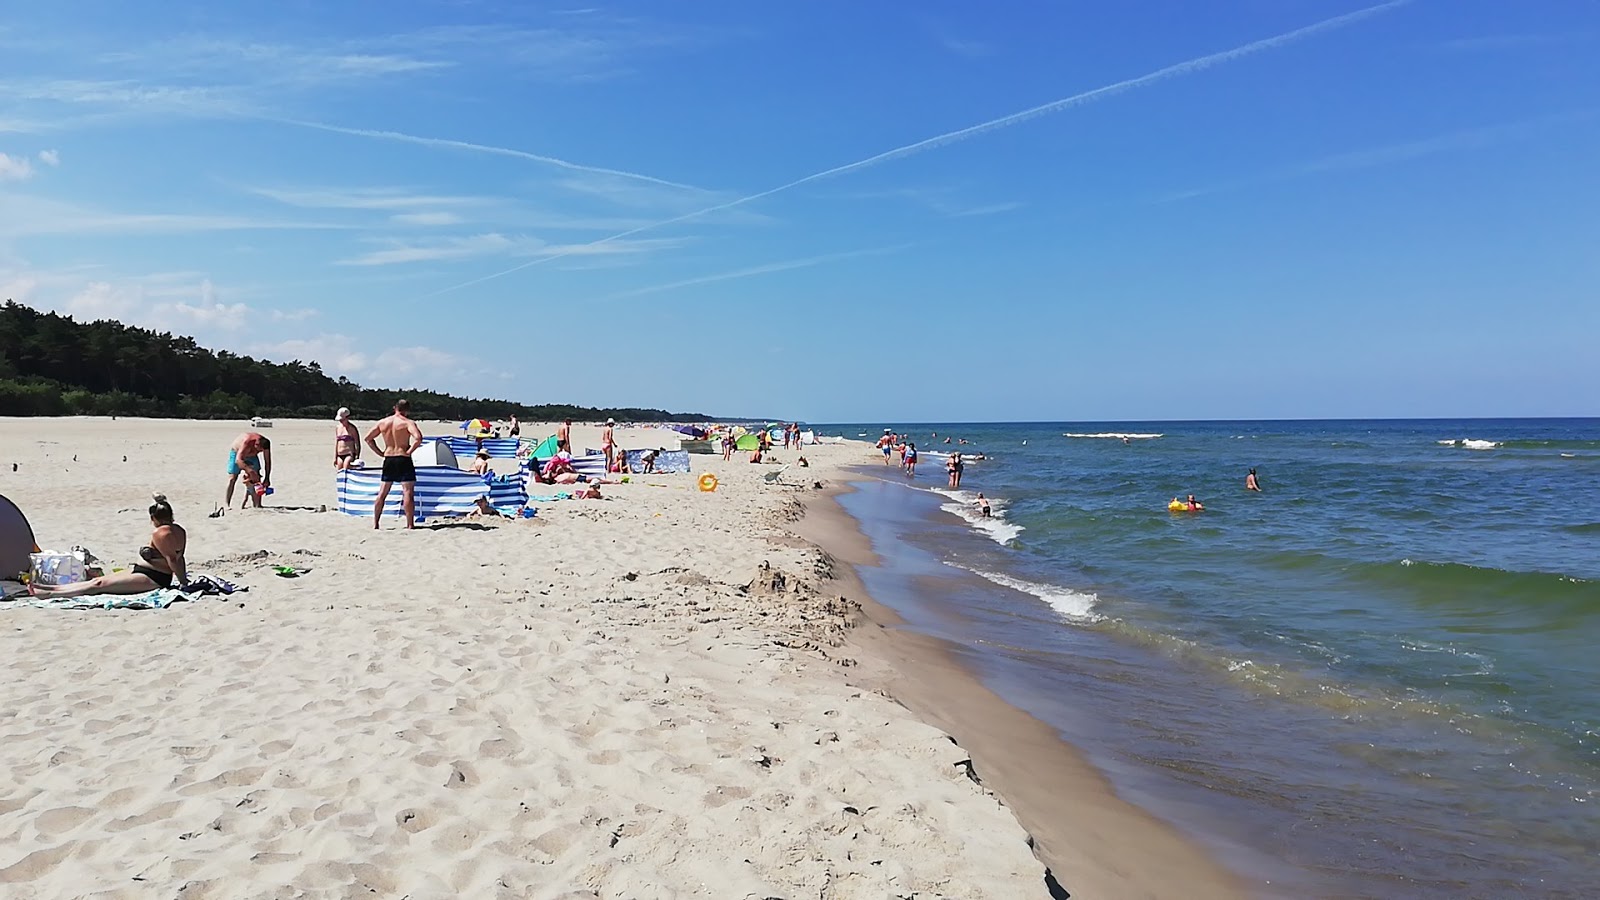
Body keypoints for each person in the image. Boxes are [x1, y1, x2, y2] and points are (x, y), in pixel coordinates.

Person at [31, 494, 186, 597]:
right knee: (96, 582)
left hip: (154, 577)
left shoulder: (160, 533)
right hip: (143, 571)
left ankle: (51, 594)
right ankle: (51, 589)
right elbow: (180, 556)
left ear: (153, 517)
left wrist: (183, 583)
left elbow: (173, 559)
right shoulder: (180, 530)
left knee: (99, 585)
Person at [366, 398, 424, 529]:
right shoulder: (407, 422)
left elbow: (368, 439)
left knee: (382, 493)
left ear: (394, 408)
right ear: (407, 410)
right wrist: (409, 451)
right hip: (403, 457)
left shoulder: (383, 422)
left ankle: (376, 523)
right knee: (408, 492)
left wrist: (380, 452)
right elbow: (418, 438)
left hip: (389, 458)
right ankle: (410, 524)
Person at [225, 431, 272, 509]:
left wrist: (267, 477)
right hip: (237, 454)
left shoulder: (266, 444)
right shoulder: (247, 442)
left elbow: (267, 462)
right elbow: (238, 460)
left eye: (261, 451)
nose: (259, 452)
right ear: (256, 444)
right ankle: (227, 504)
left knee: (257, 478)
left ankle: (257, 504)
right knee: (232, 478)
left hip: (252, 456)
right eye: (259, 450)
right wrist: (249, 470)